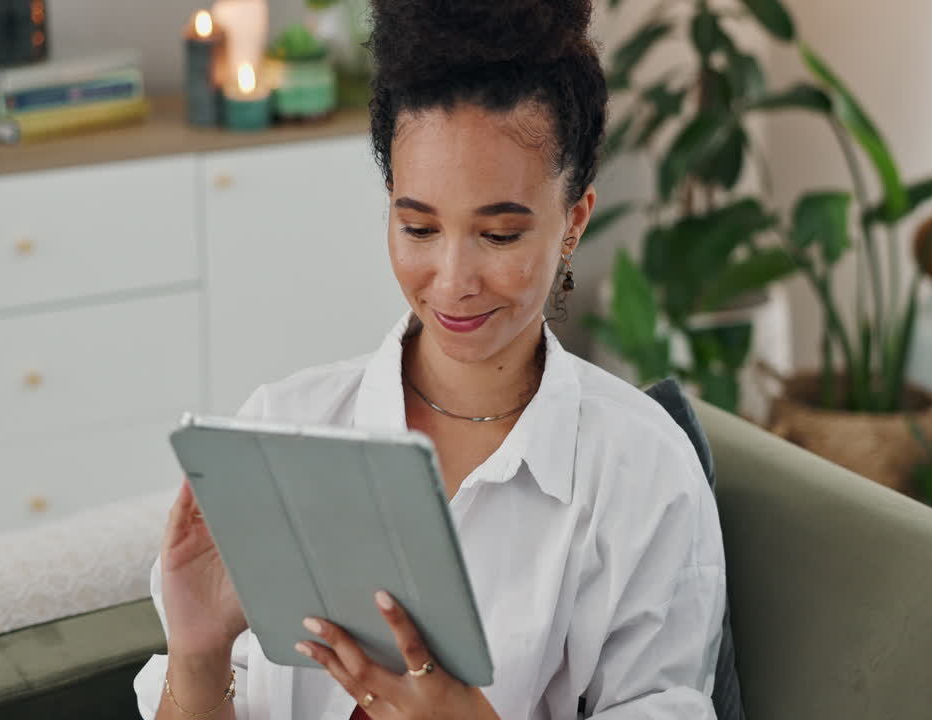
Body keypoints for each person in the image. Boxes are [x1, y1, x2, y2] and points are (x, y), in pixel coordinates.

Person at [135, 1, 726, 717]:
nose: (452, 282)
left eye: (499, 236)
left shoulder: (641, 474)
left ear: (574, 222)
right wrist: (198, 657)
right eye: (418, 227)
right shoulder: (281, 428)